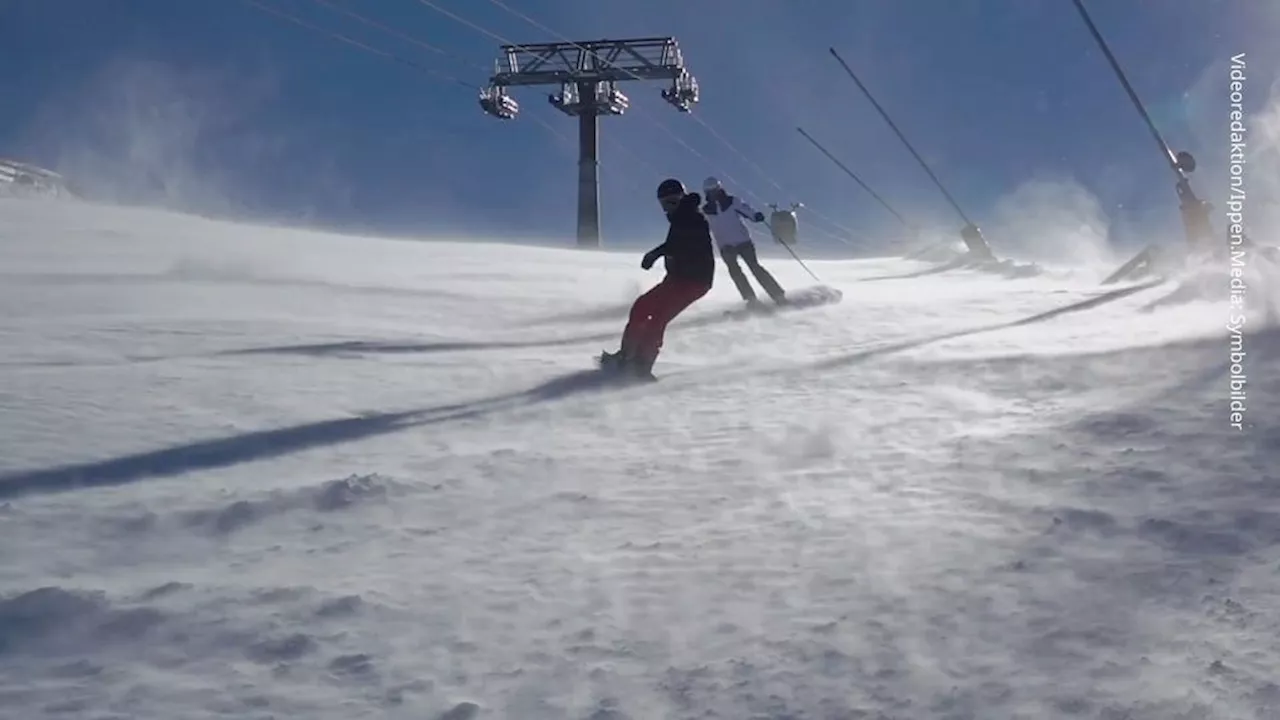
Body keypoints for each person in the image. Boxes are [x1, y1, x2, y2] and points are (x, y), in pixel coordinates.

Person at [601, 178, 715, 379]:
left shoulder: (692, 218)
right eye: (664, 203)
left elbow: (683, 244)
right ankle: (629, 356)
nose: (668, 208)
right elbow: (677, 243)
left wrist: (655, 254)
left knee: (657, 317)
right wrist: (658, 254)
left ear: (682, 199)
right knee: (642, 307)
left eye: (672, 202)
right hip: (679, 278)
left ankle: (640, 365)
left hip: (693, 280)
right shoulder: (682, 218)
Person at [700, 176, 787, 307]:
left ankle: (778, 296)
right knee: (735, 272)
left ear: (719, 189)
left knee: (755, 267)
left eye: (715, 191)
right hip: (726, 246)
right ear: (707, 193)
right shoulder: (706, 211)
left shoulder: (732, 201)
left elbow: (746, 210)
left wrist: (755, 215)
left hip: (743, 242)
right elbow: (703, 228)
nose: (713, 194)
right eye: (710, 192)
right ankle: (751, 300)